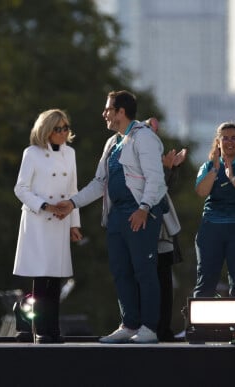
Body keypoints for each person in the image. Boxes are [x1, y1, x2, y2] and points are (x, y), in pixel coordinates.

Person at [57, 90, 167, 344]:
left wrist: (144, 208)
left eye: (108, 109)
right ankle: (129, 324)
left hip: (140, 213)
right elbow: (99, 183)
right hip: (117, 215)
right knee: (120, 271)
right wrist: (72, 203)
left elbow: (156, 178)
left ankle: (149, 327)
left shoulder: (144, 138)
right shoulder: (112, 143)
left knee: (144, 271)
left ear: (121, 112)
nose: (104, 114)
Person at [13, 109, 82, 344]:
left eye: (66, 128)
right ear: (46, 130)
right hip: (39, 221)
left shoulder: (70, 154)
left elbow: (73, 191)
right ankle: (40, 329)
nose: (63, 133)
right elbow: (21, 188)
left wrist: (74, 223)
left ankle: (53, 329)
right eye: (58, 128)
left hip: (61, 222)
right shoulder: (31, 153)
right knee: (41, 279)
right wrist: (44, 206)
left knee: (57, 278)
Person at [193, 123, 235, 298]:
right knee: (206, 278)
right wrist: (215, 169)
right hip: (212, 227)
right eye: (225, 138)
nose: (229, 142)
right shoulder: (208, 166)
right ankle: (201, 324)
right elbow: (201, 192)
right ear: (218, 141)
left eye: (234, 138)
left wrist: (232, 177)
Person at [145, 117, 186, 342]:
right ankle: (146, 325)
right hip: (141, 228)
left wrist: (170, 169)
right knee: (145, 279)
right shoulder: (132, 154)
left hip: (162, 232)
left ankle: (163, 328)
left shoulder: (155, 155)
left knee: (164, 280)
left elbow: (164, 190)